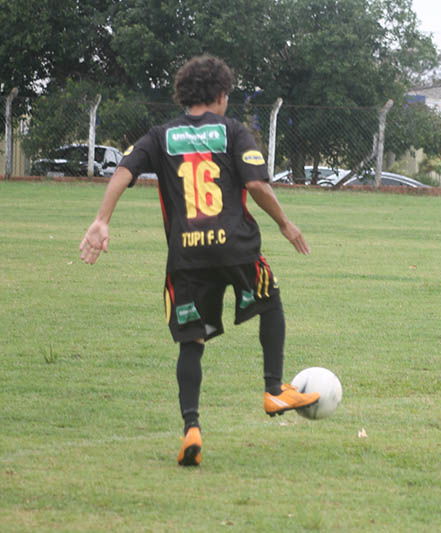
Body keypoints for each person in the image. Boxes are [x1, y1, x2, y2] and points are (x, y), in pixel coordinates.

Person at [78, 55, 320, 467]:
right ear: (221, 94)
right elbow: (257, 184)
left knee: (192, 340)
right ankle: (273, 389)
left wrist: (102, 220)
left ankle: (191, 427)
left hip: (186, 256)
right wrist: (285, 223)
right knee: (270, 301)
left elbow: (122, 171)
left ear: (185, 94)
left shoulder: (160, 135)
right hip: (235, 247)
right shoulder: (233, 131)